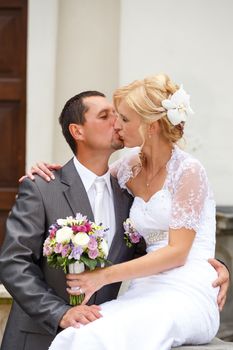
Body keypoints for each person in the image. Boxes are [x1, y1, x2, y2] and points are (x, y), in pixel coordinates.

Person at [44, 74, 227, 350]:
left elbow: (178, 253)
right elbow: (89, 178)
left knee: (117, 334)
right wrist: (49, 172)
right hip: (145, 289)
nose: (117, 125)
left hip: (188, 290)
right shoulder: (128, 169)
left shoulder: (188, 171)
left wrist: (103, 276)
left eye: (125, 119)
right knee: (81, 333)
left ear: (150, 126)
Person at [0, 91, 145, 350]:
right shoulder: (42, 188)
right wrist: (60, 313)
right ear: (77, 131)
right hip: (38, 340)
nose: (118, 121)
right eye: (105, 116)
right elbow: (13, 262)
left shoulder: (129, 196)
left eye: (117, 114)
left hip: (100, 339)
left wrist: (212, 265)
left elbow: (155, 251)